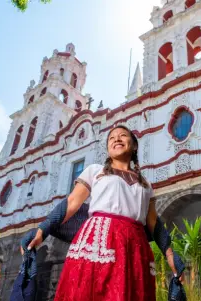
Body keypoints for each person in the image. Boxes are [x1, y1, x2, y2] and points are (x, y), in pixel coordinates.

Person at [25, 125, 184, 301]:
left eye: (123, 135)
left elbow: (154, 223)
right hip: (98, 243)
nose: (116, 139)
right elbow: (71, 203)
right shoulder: (95, 171)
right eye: (111, 138)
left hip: (135, 247)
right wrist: (43, 230)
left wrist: (170, 254)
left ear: (134, 146)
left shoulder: (146, 184)